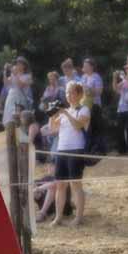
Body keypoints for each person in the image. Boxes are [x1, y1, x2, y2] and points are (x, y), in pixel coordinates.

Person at [47, 81, 90, 227]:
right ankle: (58, 216)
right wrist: (52, 114)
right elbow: (52, 129)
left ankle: (78, 217)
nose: (68, 95)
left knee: (75, 184)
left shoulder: (83, 110)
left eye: (71, 92)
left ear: (79, 94)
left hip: (76, 150)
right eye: (67, 92)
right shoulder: (65, 112)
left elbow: (78, 125)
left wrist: (65, 112)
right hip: (61, 150)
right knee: (60, 184)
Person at [114, 62, 128, 154]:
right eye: (126, 68)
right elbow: (116, 89)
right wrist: (115, 78)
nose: (127, 70)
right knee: (120, 129)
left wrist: (126, 77)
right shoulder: (123, 81)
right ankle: (121, 150)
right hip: (121, 109)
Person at [1, 57, 32, 125]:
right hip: (11, 97)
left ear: (24, 66)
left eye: (19, 64)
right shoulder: (13, 74)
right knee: (8, 116)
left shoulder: (27, 76)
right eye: (17, 64)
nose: (17, 66)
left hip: (20, 98)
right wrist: (5, 71)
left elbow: (20, 85)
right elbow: (6, 83)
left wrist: (15, 74)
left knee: (19, 116)